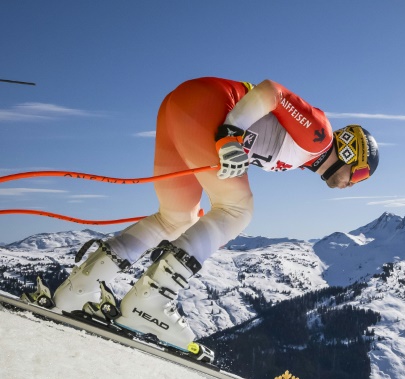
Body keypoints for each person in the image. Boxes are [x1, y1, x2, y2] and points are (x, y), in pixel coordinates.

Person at [51, 77, 379, 350]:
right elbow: (272, 92)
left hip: (181, 108)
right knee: (238, 209)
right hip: (207, 109)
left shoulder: (305, 154)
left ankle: (79, 288)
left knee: (175, 218)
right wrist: (230, 133)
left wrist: (230, 135)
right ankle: (146, 304)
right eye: (361, 175)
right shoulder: (319, 136)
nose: (354, 184)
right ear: (350, 150)